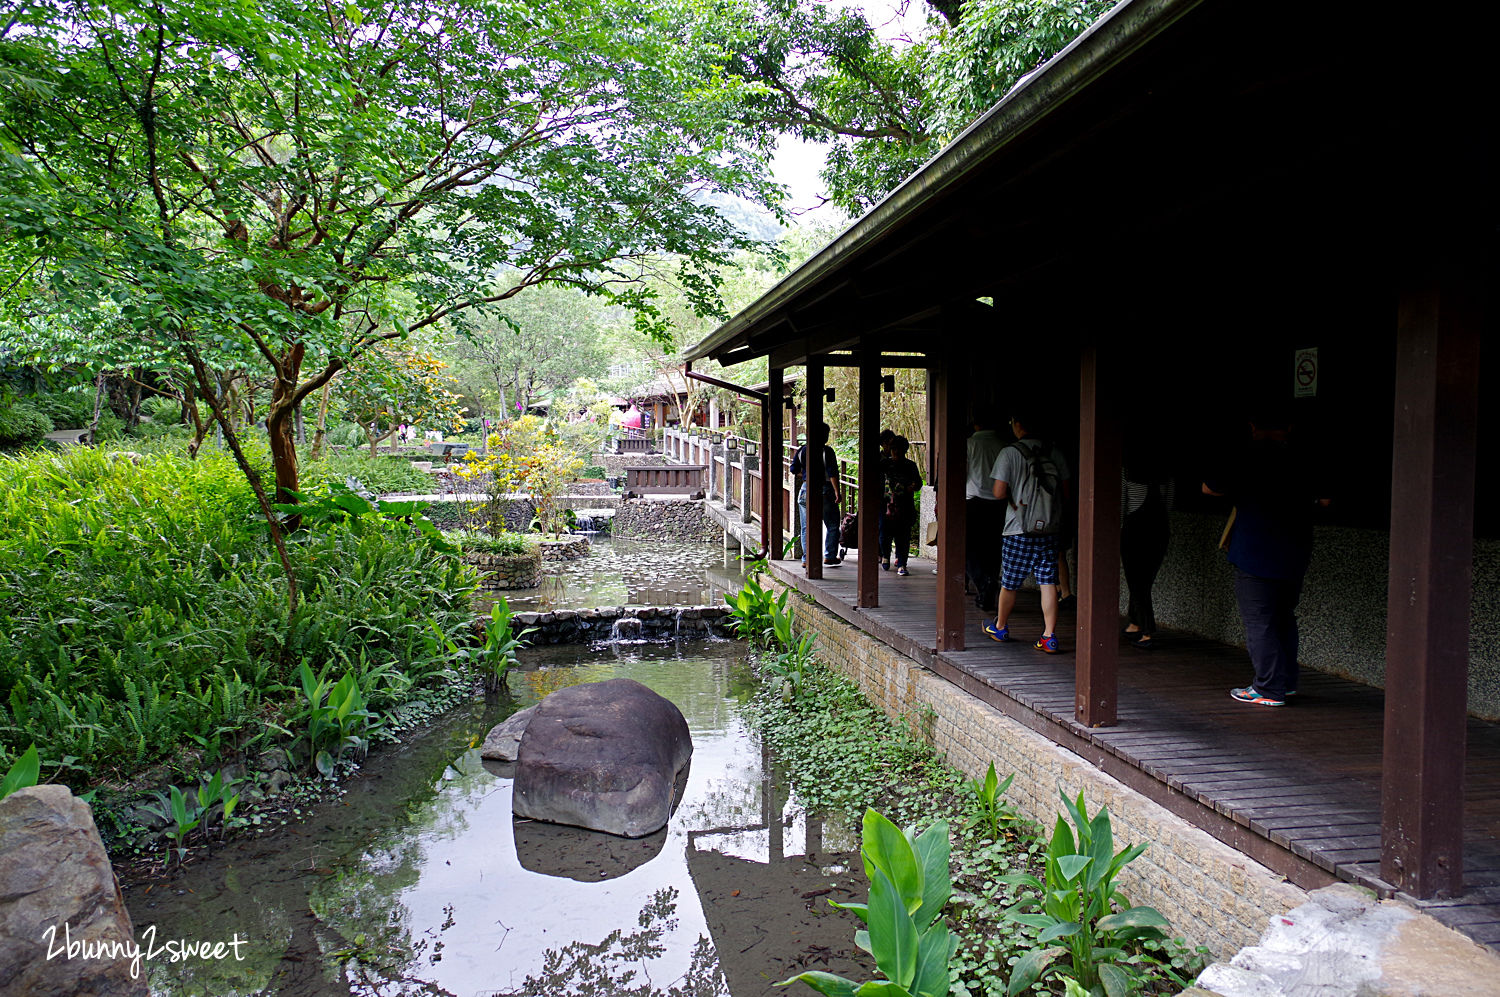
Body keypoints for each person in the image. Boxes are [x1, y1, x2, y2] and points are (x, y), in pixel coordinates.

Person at [1203, 409, 1329, 706]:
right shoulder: (1304, 456)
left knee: (1259, 620)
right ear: (1288, 426)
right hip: (1296, 547)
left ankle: (1268, 688)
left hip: (1255, 548)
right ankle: (1285, 683)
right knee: (1284, 616)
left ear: (1251, 426)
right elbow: (1324, 500)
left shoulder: (1245, 455)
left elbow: (1209, 487)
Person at [984, 413, 1072, 653]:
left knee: (1010, 582)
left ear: (1018, 425)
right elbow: (1065, 490)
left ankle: (1000, 627)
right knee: (1048, 582)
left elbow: (999, 492)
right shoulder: (1054, 452)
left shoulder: (1010, 453)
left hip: (1018, 528)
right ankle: (1049, 636)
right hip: (1049, 528)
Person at [1120, 444, 1175, 649]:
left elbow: (1122, 504)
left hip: (1134, 531)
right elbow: (1168, 505)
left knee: (1136, 581)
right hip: (1159, 530)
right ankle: (1134, 623)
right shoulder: (1166, 475)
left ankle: (1146, 630)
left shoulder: (1127, 472)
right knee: (1145, 580)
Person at [965, 410, 1008, 611]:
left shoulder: (970, 444)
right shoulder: (1003, 445)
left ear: (975, 424)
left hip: (973, 501)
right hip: (999, 503)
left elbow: (961, 472)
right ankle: (990, 582)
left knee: (970, 548)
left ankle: (983, 583)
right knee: (993, 548)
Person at [791, 422, 842, 567]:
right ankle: (830, 555)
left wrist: (807, 476)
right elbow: (832, 473)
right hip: (825, 489)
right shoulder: (827, 451)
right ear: (824, 435)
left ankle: (807, 558)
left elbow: (794, 469)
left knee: (806, 526)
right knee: (832, 524)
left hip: (805, 490)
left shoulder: (802, 450)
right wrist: (837, 492)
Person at [879, 436, 923, 575]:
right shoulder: (884, 464)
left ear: (904, 450)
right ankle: (885, 555)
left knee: (903, 535)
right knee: (884, 532)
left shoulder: (910, 465)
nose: (896, 452)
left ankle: (902, 563)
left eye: (899, 449)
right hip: (885, 505)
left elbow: (918, 483)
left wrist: (912, 486)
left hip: (904, 505)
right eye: (894, 449)